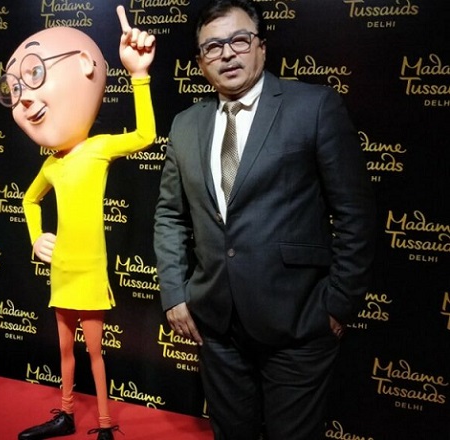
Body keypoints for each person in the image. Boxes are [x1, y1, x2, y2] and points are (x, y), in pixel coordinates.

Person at [153, 1, 376, 439]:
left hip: (299, 323)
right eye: (213, 47)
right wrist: (175, 292)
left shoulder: (313, 107)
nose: (227, 53)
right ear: (200, 62)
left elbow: (355, 213)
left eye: (239, 40)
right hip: (216, 327)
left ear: (261, 47)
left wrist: (338, 303)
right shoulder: (185, 125)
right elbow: (170, 215)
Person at [0, 6, 155, 440]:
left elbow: (145, 136)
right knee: (65, 350)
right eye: (13, 88)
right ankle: (65, 414)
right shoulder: (51, 165)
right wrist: (36, 238)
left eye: (33, 75)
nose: (23, 98)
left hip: (90, 271)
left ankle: (104, 424)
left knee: (96, 353)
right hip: (63, 271)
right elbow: (29, 200)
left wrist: (139, 76)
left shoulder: (99, 148)